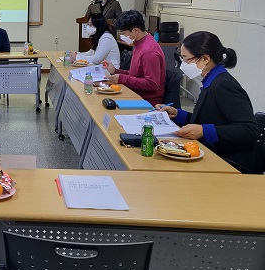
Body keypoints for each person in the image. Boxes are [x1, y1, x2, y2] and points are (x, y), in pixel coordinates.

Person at [156, 32, 261, 173]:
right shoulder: (210, 81)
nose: (183, 65)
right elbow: (209, 118)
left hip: (231, 162)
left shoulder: (224, 85)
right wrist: (177, 114)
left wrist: (203, 131)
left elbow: (250, 130)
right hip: (215, 153)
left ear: (205, 59)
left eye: (186, 60)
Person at [103, 10, 165, 106]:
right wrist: (116, 71)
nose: (122, 36)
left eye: (124, 33)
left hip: (147, 102)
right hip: (135, 94)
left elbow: (152, 83)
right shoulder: (139, 44)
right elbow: (136, 75)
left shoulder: (149, 51)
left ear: (135, 30)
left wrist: (122, 78)